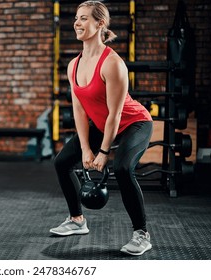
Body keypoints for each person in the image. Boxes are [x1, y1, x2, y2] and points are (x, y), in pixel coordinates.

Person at [50, 1, 153, 256]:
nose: (76, 22)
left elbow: (116, 114)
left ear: (100, 24)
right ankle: (77, 221)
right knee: (62, 162)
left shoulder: (113, 64)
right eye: (76, 17)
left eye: (84, 18)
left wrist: (103, 152)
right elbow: (79, 109)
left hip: (134, 122)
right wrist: (85, 149)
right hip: (101, 123)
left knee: (122, 168)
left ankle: (141, 233)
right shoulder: (73, 65)